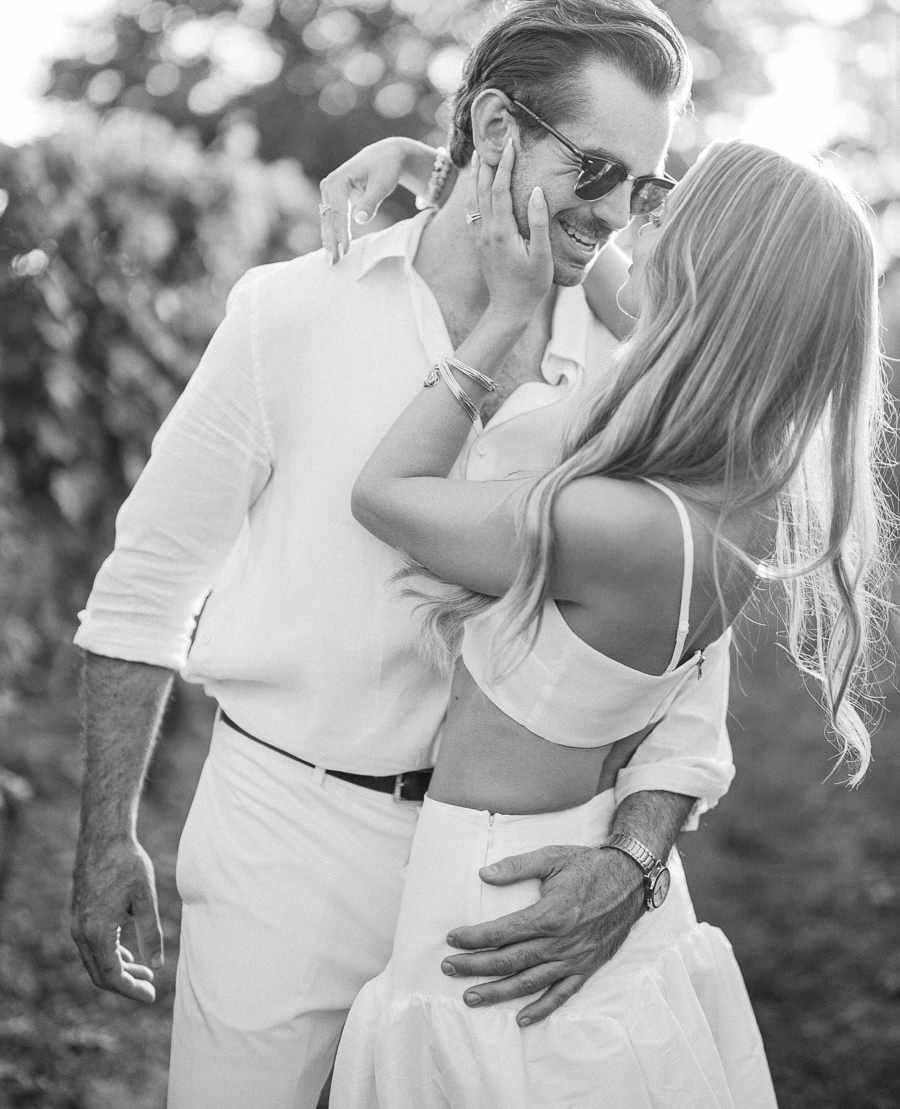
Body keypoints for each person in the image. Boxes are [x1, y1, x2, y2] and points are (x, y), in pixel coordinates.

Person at [70, 0, 738, 1109]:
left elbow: (688, 640)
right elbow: (147, 585)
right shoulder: (290, 312)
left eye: (643, 185)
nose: (615, 215)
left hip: (513, 866)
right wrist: (103, 838)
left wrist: (633, 857)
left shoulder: (634, 364)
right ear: (491, 132)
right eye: (594, 171)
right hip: (288, 832)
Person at [327, 135, 893, 1108]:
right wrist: (452, 165)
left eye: (678, 199)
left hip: (491, 895)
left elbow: (385, 495)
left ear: (713, 262)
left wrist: (501, 321)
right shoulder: (728, 471)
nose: (645, 206)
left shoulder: (616, 525)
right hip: (562, 845)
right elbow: (620, 291)